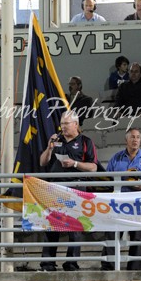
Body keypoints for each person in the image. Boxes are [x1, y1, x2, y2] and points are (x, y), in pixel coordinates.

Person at [39, 110, 98, 271]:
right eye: (62, 124)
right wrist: (50, 148)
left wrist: (75, 164)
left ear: (76, 125)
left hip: (76, 188)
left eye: (66, 124)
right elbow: (43, 162)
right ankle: (48, 263)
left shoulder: (86, 141)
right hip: (55, 188)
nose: (63, 127)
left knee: (75, 227)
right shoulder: (56, 139)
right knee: (52, 226)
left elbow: (93, 167)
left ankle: (71, 263)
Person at [101, 128, 141, 271]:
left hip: (138, 204)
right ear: (126, 140)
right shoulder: (116, 158)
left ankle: (134, 269)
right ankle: (108, 267)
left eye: (138, 137)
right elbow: (106, 181)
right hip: (119, 203)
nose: (135, 140)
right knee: (112, 234)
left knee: (137, 237)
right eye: (132, 137)